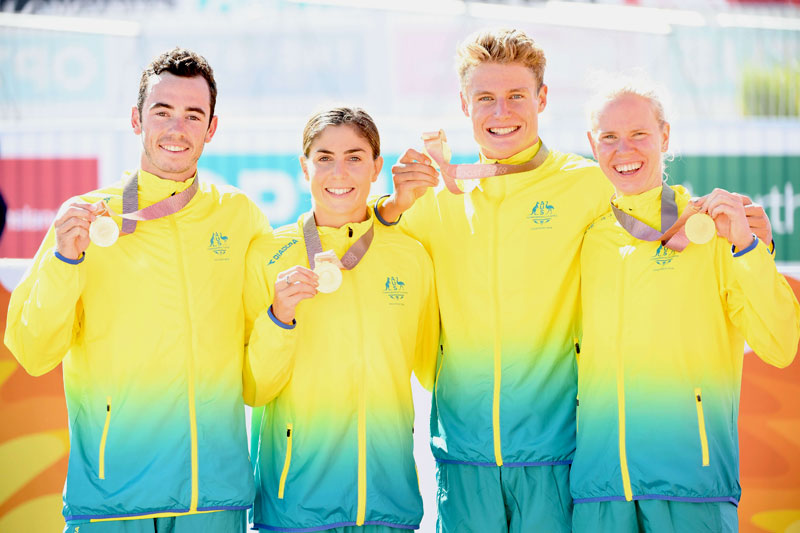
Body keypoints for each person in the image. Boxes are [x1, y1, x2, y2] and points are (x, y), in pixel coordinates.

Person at [375, 28, 775, 532]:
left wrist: (748, 231)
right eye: (486, 99)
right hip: (461, 458)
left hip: (559, 458)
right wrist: (389, 208)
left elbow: (653, 199)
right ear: (464, 104)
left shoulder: (587, 183)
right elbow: (358, 250)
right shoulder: (430, 202)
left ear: (542, 98)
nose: (502, 113)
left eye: (517, 96)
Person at [5, 48, 286, 533]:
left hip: (212, 499)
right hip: (112, 501)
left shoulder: (240, 218)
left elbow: (257, 368)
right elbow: (32, 351)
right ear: (136, 120)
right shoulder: (85, 218)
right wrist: (66, 261)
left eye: (193, 115)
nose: (177, 128)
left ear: (212, 128)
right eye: (162, 112)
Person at [570, 80, 800, 532]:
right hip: (599, 494)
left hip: (692, 488)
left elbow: (780, 344)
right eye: (609, 137)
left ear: (665, 137)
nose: (624, 150)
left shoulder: (712, 231)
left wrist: (750, 248)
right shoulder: (584, 240)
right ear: (592, 145)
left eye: (639, 134)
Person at [243, 107, 439, 533]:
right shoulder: (266, 256)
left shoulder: (411, 256)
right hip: (296, 506)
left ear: (376, 168)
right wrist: (280, 318)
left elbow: (432, 370)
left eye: (354, 157)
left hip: (389, 503)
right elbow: (253, 389)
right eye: (324, 157)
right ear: (304, 167)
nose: (339, 172)